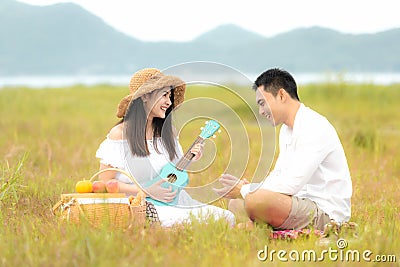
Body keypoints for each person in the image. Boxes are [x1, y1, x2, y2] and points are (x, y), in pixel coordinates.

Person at [214, 68, 352, 231]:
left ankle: (259, 226)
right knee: (236, 203)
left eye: (262, 103)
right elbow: (279, 174)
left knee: (254, 200)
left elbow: (292, 183)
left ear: (281, 95)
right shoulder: (287, 130)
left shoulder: (314, 126)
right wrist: (250, 190)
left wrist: (246, 190)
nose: (261, 111)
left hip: (324, 213)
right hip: (296, 202)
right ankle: (261, 225)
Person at [95, 68, 235, 227]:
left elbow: (173, 174)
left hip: (173, 200)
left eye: (170, 96)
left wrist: (192, 157)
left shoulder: (168, 133)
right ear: (145, 97)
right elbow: (105, 183)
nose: (169, 102)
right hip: (137, 204)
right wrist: (146, 191)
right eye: (164, 95)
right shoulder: (120, 134)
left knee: (226, 217)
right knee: (180, 222)